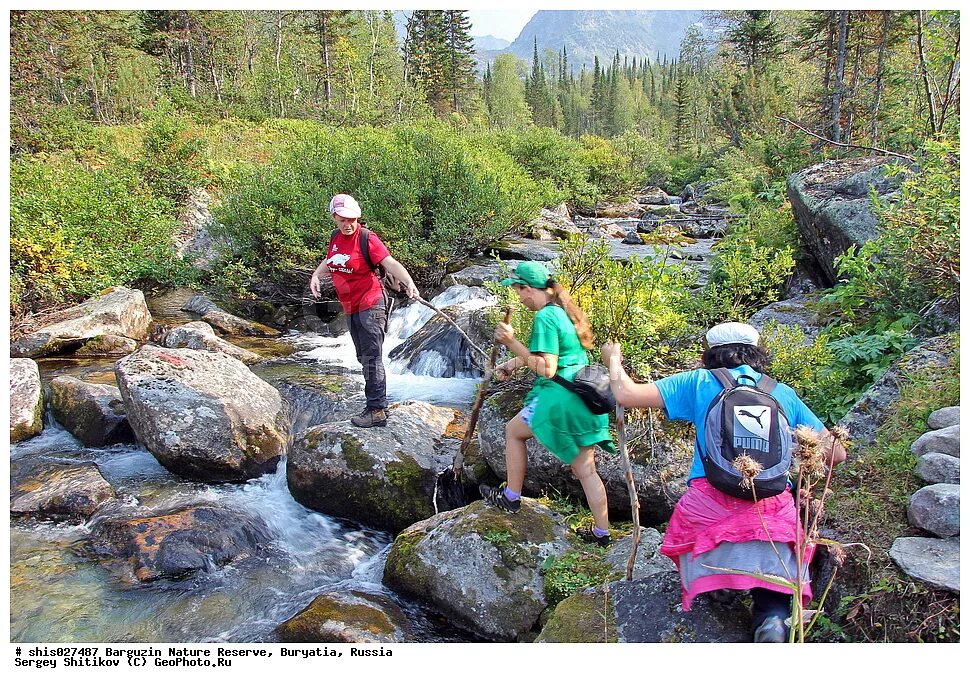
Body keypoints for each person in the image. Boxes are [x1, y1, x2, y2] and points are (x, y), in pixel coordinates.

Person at [601, 322, 847, 642]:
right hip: (773, 508)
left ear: (711, 353)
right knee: (773, 594)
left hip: (708, 504)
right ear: (757, 353)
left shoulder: (699, 381)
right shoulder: (781, 393)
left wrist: (614, 359)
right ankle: (772, 620)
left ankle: (720, 587)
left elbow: (626, 393)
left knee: (695, 524)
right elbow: (836, 453)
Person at [479, 261, 617, 546]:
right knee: (585, 469)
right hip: (583, 396)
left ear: (529, 289)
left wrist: (511, 342)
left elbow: (547, 369)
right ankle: (602, 534)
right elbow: (559, 354)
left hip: (560, 400)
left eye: (519, 291)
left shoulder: (544, 317)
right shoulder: (562, 311)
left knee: (513, 431)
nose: (518, 297)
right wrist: (515, 363)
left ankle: (511, 497)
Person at [309, 194, 420, 428]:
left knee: (371, 358)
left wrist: (409, 283)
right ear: (334, 218)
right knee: (363, 357)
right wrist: (317, 275)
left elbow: (390, 263)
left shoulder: (367, 238)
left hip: (371, 304)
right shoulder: (335, 237)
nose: (348, 225)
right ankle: (377, 404)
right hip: (350, 307)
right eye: (342, 220)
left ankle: (377, 410)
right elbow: (331, 260)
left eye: (352, 219)